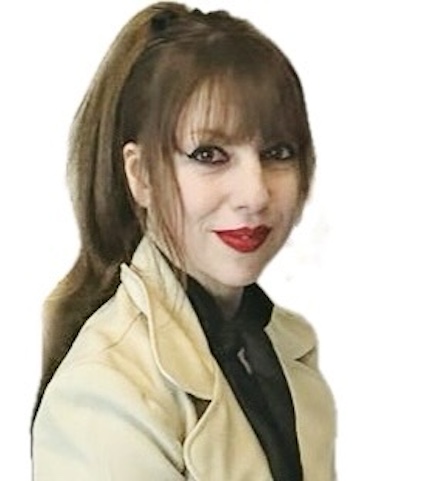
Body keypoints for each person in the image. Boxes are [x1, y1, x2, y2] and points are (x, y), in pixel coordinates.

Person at [31, 2, 336, 480]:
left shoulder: (282, 347)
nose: (255, 194)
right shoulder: (104, 392)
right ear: (141, 176)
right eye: (209, 154)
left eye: (277, 152)